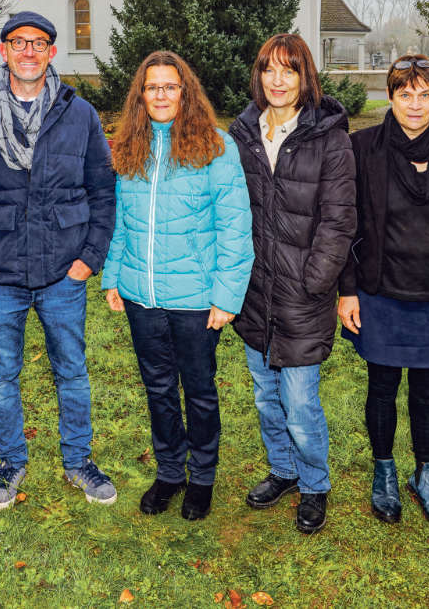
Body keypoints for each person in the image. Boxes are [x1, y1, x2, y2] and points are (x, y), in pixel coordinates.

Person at [0, 11, 118, 509]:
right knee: (0, 376)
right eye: (19, 42)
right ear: (4, 51)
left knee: (72, 372)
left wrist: (90, 257)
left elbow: (103, 190)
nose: (29, 52)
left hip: (63, 271)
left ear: (52, 53)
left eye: (39, 43)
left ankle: (78, 461)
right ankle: (11, 461)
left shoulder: (79, 114)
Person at [101, 51, 254, 522]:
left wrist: (227, 296)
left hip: (196, 300)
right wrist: (112, 275)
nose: (161, 95)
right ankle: (169, 472)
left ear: (184, 93)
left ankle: (202, 477)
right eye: (152, 88)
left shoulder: (216, 147)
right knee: (158, 389)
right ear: (140, 96)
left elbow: (235, 227)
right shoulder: (129, 146)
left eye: (170, 87)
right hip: (141, 295)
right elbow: (121, 222)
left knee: (200, 390)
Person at [338, 55, 429, 530]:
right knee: (381, 386)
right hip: (381, 290)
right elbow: (346, 222)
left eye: (425, 94)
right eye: (405, 94)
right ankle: (383, 474)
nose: (415, 104)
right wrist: (348, 291)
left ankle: (426, 476)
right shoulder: (363, 147)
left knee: (427, 390)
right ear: (391, 96)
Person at [228, 32, 356, 535]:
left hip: (304, 292)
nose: (278, 81)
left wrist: (317, 279)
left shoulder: (329, 136)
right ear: (258, 76)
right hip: (253, 291)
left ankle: (314, 483)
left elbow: (340, 218)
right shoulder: (242, 133)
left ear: (305, 77)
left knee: (300, 402)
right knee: (265, 395)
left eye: (289, 70)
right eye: (268, 70)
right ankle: (282, 470)